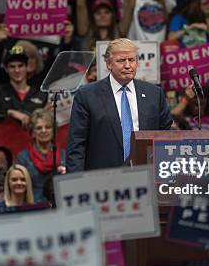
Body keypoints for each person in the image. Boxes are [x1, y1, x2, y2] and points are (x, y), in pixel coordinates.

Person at [67, 38, 173, 172]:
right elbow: (76, 145)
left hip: (146, 175)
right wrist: (75, 183)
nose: (128, 65)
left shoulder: (154, 94)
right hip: (103, 180)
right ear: (108, 64)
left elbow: (166, 136)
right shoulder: (87, 95)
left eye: (132, 60)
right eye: (121, 61)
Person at [0, 45, 47, 126]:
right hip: (3, 137)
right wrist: (9, 112)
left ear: (27, 67)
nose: (17, 70)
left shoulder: (41, 95)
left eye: (20, 65)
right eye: (12, 67)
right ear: (6, 69)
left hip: (32, 138)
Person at [16, 109, 66, 202]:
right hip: (33, 207)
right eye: (39, 128)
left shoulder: (64, 156)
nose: (44, 131)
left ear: (53, 131)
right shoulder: (23, 158)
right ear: (33, 133)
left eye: (48, 127)